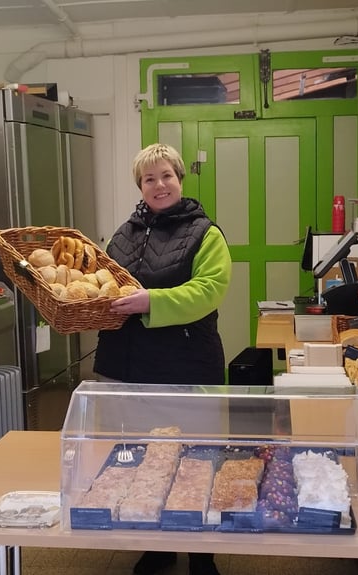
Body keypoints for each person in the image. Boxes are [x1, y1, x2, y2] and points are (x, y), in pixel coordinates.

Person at [93, 143, 231, 575]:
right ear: (140, 186)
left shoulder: (205, 233)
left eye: (166, 175)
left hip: (186, 362)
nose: (159, 185)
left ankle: (202, 555)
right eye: (149, 178)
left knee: (196, 458)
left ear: (180, 179)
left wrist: (150, 301)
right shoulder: (123, 235)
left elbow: (208, 291)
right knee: (144, 459)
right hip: (130, 364)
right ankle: (156, 545)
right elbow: (103, 284)